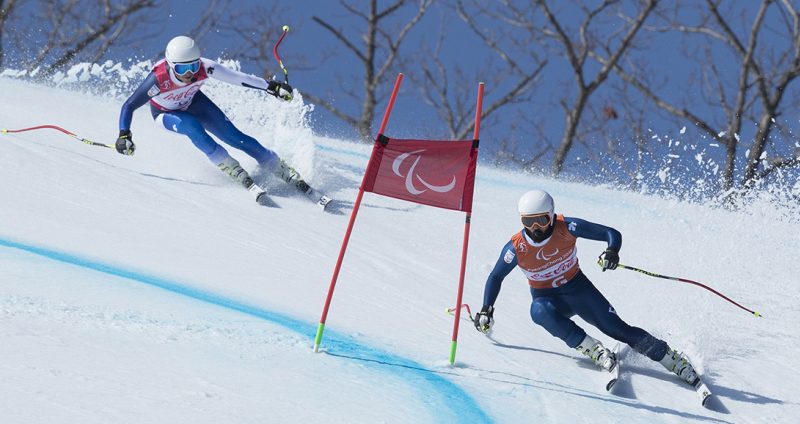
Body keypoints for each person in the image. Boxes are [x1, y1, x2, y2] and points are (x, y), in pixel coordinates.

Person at [474, 189, 699, 386]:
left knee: (618, 329)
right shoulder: (516, 248)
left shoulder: (567, 226)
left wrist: (612, 251)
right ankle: (593, 349)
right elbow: (495, 277)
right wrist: (487, 309)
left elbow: (611, 233)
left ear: (551, 216)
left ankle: (672, 360)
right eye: (527, 222)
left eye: (541, 221)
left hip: (579, 291)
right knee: (538, 311)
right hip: (550, 301)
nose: (535, 228)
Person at [116, 35, 330, 208]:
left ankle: (281, 169)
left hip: (194, 103)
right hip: (165, 113)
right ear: (172, 66)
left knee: (235, 137)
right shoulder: (158, 79)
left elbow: (238, 78)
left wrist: (271, 87)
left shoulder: (204, 67)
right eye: (182, 69)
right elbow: (129, 105)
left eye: (192, 66)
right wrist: (124, 134)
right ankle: (232, 168)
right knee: (193, 127)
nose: (190, 73)